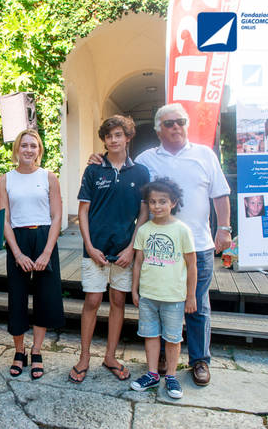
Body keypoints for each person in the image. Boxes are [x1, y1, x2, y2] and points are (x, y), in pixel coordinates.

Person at [91, 103, 231, 386]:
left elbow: (220, 194)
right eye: (168, 123)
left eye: (180, 121)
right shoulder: (147, 160)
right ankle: (165, 359)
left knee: (196, 304)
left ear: (187, 124)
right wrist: (99, 160)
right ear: (158, 130)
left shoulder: (205, 155)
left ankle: (200, 360)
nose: (175, 127)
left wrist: (225, 229)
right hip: (156, 247)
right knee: (160, 301)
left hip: (198, 245)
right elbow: (123, 169)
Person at [69, 116, 149, 383]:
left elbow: (143, 213)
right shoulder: (93, 170)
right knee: (92, 301)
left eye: (118, 135)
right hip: (95, 250)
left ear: (128, 137)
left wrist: (132, 249)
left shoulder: (140, 173)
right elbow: (83, 211)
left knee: (117, 301)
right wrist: (89, 247)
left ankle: (110, 356)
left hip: (124, 253)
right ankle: (83, 357)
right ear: (104, 140)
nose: (113, 140)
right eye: (109, 136)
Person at [0, 129, 64, 380]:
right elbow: (4, 218)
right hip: (18, 240)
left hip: (44, 238)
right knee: (17, 297)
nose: (28, 150)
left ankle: (36, 351)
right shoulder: (6, 179)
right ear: (17, 149)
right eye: (24, 145)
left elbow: (57, 215)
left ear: (39, 150)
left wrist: (47, 251)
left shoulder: (49, 177)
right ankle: (19, 351)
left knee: (44, 297)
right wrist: (16, 253)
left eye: (33, 146)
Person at [130, 178, 197, 400]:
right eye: (152, 202)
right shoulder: (144, 230)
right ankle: (151, 373)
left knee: (173, 338)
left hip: (174, 297)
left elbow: (192, 264)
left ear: (173, 202)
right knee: (150, 335)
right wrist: (134, 289)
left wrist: (191, 296)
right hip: (148, 295)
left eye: (162, 201)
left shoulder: (182, 230)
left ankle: (170, 375)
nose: (157, 206)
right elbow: (138, 262)